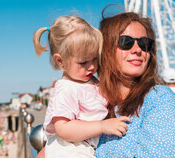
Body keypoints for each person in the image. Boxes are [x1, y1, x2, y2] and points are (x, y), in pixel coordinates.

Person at [94, 11, 175, 157]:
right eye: (126, 42)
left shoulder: (158, 98)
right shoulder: (94, 103)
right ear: (104, 49)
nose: (138, 49)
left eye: (145, 44)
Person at [33, 16, 131, 157]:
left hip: (83, 147)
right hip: (67, 149)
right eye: (83, 62)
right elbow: (63, 129)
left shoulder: (90, 81)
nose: (91, 66)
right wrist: (103, 126)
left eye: (94, 59)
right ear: (61, 61)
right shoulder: (66, 88)